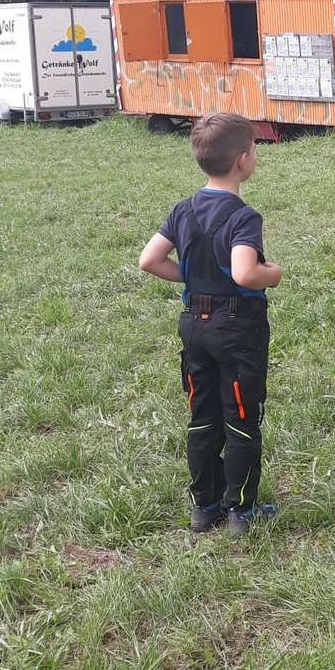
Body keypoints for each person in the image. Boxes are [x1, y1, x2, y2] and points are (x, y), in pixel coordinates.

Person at [139, 112, 281, 537]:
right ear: (243, 160)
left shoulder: (183, 210)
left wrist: (192, 276)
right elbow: (244, 273)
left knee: (202, 417)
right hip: (237, 330)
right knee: (241, 418)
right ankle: (241, 511)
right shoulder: (243, 216)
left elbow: (149, 260)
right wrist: (272, 273)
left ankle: (204, 507)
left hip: (194, 327)